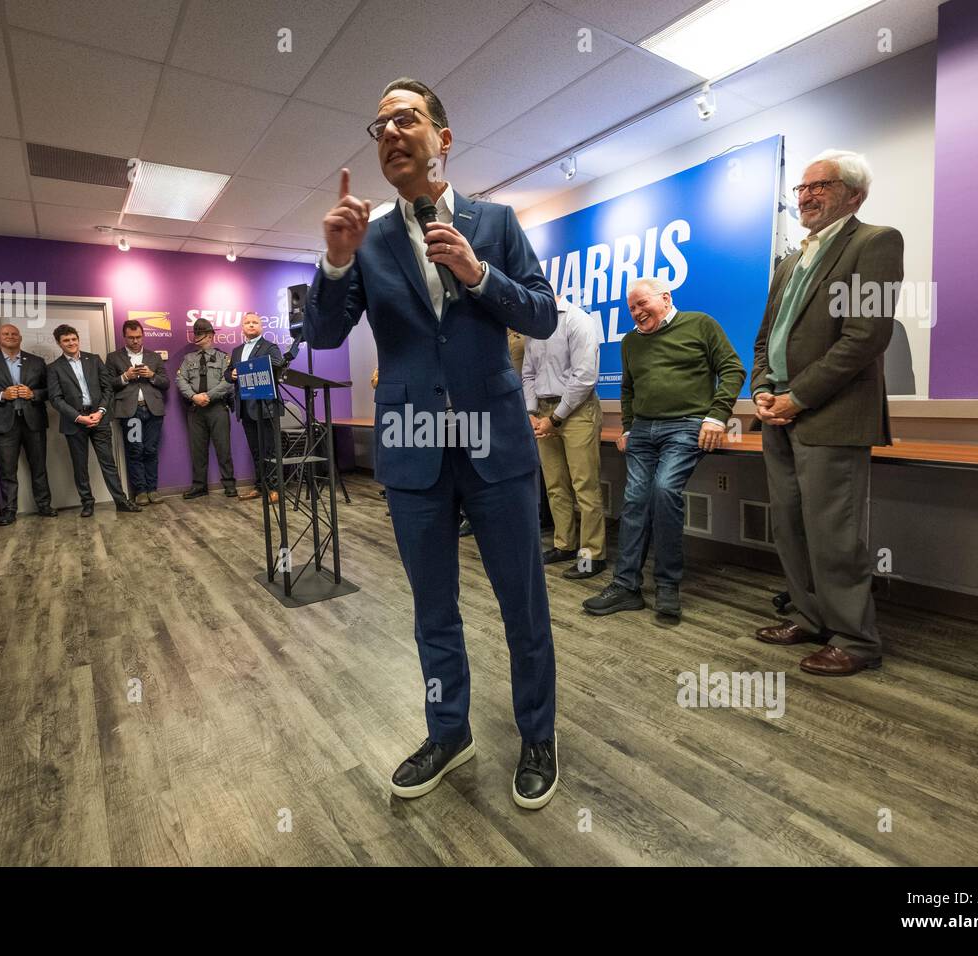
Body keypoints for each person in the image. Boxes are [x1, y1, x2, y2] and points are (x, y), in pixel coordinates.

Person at [306, 78, 560, 809]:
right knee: (433, 611)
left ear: (442, 138)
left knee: (524, 604)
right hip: (415, 448)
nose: (389, 130)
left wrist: (479, 276)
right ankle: (450, 731)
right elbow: (322, 335)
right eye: (378, 121)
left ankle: (537, 734)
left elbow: (542, 316)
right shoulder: (370, 239)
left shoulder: (497, 223)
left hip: (496, 448)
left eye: (405, 117)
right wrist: (334, 262)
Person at [751, 149, 903, 677]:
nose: (808, 195)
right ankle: (812, 618)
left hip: (830, 415)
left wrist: (800, 395)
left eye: (823, 185)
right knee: (790, 528)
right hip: (779, 415)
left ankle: (855, 641)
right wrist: (763, 391)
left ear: (855, 195)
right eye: (802, 188)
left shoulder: (876, 242)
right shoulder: (789, 261)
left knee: (834, 533)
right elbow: (765, 338)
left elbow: (866, 336)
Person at [582, 277, 743, 619]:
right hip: (642, 430)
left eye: (642, 304)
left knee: (664, 490)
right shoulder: (630, 343)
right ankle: (626, 586)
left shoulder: (700, 324)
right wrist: (627, 427)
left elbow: (732, 369)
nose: (637, 313)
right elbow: (627, 390)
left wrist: (716, 417)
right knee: (635, 500)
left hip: (686, 426)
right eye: (632, 309)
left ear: (666, 298)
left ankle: (668, 585)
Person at [524, 295, 604, 579]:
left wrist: (555, 418)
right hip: (544, 411)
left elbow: (584, 376)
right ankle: (565, 545)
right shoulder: (535, 326)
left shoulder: (577, 320)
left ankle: (591, 556)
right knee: (555, 484)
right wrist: (532, 412)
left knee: (585, 486)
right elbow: (528, 374)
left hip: (577, 410)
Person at [45, 325, 139, 516]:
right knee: (80, 466)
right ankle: (87, 502)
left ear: (78, 339)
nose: (71, 343)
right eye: (66, 340)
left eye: (73, 339)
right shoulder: (54, 368)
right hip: (75, 422)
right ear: (58, 343)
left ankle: (121, 501)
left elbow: (107, 388)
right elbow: (55, 399)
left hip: (99, 419)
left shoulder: (94, 360)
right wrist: (79, 417)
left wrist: (101, 411)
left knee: (109, 463)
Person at [0, 324, 57, 525]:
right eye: (6, 334)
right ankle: (9, 511)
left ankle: (44, 506)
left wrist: (34, 394)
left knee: (39, 467)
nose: (10, 336)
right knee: (7, 471)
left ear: (20, 338)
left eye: (14, 334)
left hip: (33, 421)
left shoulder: (36, 362)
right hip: (3, 423)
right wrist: (1, 395)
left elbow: (50, 391)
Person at [105, 320, 169, 506]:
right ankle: (140, 491)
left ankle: (153, 489)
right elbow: (108, 384)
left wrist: (152, 376)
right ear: (124, 337)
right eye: (131, 338)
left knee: (151, 450)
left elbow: (166, 383)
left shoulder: (154, 357)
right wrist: (125, 377)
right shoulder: (113, 357)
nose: (135, 341)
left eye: (138, 337)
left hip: (152, 411)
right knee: (135, 450)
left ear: (143, 336)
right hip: (131, 412)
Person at [226, 311, 284, 502]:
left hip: (265, 406)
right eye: (247, 323)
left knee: (270, 450)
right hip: (244, 406)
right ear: (242, 327)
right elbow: (227, 373)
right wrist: (232, 375)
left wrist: (248, 368)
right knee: (256, 450)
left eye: (255, 322)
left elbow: (278, 363)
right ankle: (260, 486)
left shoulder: (270, 346)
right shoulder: (236, 351)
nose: (251, 325)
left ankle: (275, 488)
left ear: (261, 327)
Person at [175, 318, 237, 499]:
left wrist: (208, 396)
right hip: (196, 409)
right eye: (195, 333)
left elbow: (228, 381)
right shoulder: (188, 359)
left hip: (217, 407)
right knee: (198, 450)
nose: (196, 336)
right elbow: (180, 380)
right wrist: (194, 396)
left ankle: (229, 484)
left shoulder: (223, 358)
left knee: (223, 448)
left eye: (200, 333)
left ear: (210, 335)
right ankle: (199, 486)